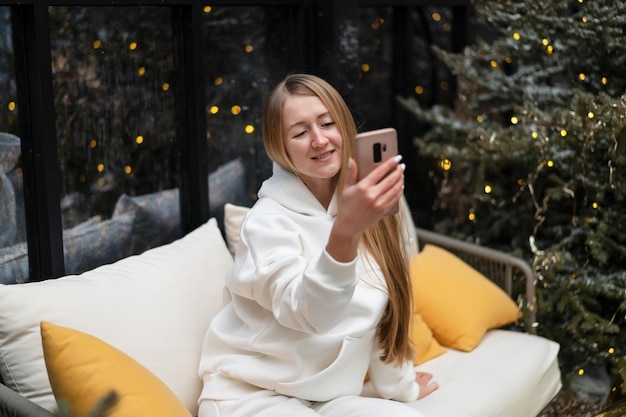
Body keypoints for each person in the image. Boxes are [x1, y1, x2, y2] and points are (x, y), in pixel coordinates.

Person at [198, 73, 438, 417]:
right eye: (300, 132)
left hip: (328, 399)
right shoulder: (266, 223)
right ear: (279, 147)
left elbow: (384, 316)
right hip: (252, 394)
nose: (319, 140)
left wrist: (403, 388)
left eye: (327, 123)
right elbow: (308, 314)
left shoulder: (369, 205)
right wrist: (345, 235)